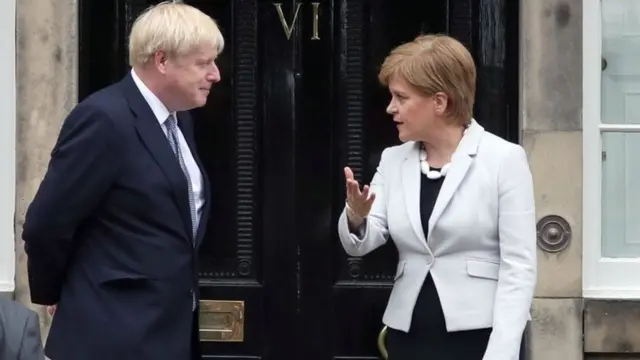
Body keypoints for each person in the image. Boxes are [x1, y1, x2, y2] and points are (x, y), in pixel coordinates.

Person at [21, 2, 223, 359]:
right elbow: (46, 222)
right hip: (112, 334)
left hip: (168, 332)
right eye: (203, 63)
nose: (215, 74)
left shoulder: (179, 121)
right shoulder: (104, 119)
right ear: (162, 61)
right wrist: (56, 291)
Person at [338, 34, 536, 360]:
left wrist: (502, 350)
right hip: (409, 333)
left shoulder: (503, 160)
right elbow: (361, 242)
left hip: (479, 338)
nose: (391, 108)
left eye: (401, 97)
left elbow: (520, 266)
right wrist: (356, 215)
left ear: (440, 102)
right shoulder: (393, 159)